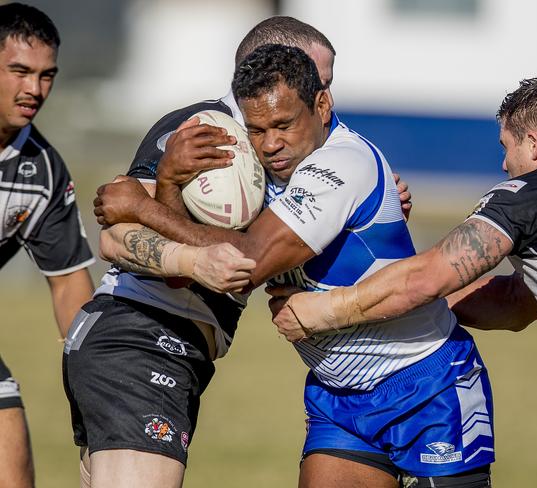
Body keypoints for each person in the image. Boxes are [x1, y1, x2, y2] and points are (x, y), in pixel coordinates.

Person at [94, 44, 495, 488]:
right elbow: (183, 274)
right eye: (258, 129)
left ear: (322, 105)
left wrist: (143, 207)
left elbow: (250, 259)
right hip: (338, 396)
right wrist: (169, 180)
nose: (271, 145)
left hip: (425, 383)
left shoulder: (342, 164)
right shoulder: (255, 171)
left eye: (284, 125)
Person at [67, 16, 408, 488]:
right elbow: (115, 236)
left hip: (179, 349)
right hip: (140, 338)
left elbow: (269, 239)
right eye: (317, 79)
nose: (325, 100)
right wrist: (161, 194)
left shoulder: (293, 152)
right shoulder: (200, 131)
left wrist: (369, 212)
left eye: (326, 86)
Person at [268, 70, 537, 488]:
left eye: (507, 148)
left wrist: (324, 309)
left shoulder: (530, 196)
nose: (505, 165)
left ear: (534, 145)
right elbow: (514, 304)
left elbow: (426, 280)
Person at [0, 3, 95, 487]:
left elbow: (68, 284)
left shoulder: (42, 171)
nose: (34, 90)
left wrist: (93, 372)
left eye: (46, 75)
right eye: (19, 72)